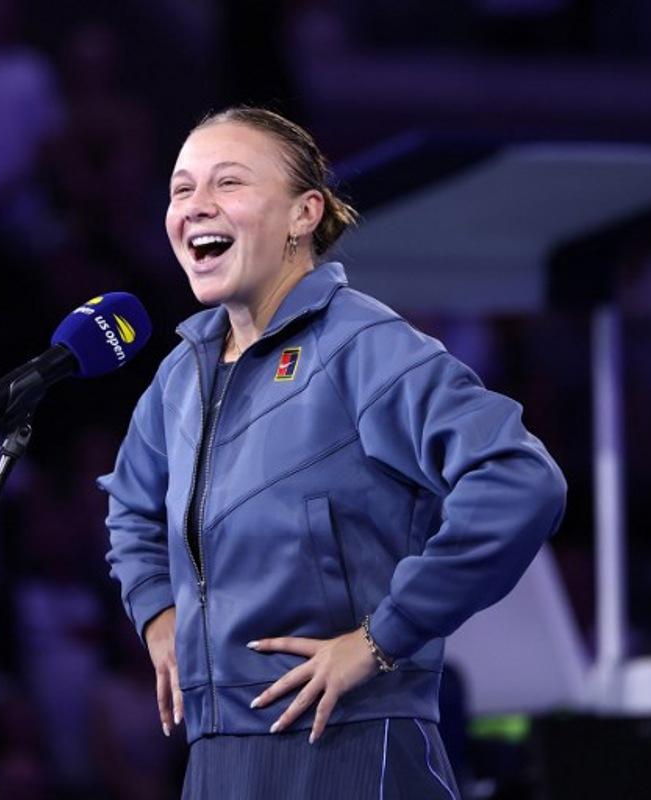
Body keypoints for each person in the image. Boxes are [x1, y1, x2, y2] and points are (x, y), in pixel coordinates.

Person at [97, 107, 567, 798]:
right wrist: (159, 616)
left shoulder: (361, 345)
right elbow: (131, 507)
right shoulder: (183, 372)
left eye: (228, 183)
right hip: (217, 755)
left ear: (303, 214)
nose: (197, 206)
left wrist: (383, 637)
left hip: (351, 744)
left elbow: (522, 480)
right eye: (180, 189)